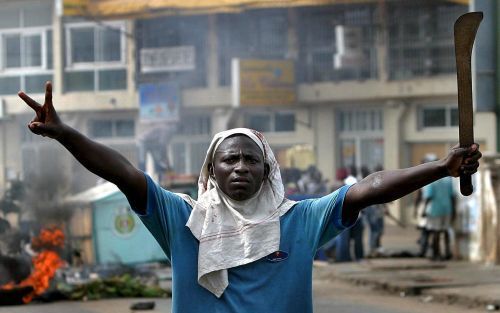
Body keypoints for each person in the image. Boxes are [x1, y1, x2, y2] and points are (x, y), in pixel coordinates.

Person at [19, 82, 482, 313]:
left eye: (250, 160)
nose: (239, 167)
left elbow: (367, 189)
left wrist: (440, 167)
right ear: (211, 170)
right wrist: (65, 134)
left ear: (267, 171)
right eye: (229, 160)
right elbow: (123, 173)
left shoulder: (299, 220)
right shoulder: (182, 218)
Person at [422, 173, 456, 261]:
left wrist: (424, 210)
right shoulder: (449, 180)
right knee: (445, 230)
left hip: (435, 209)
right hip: (447, 208)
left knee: (435, 232)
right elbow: (452, 196)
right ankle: (447, 252)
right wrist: (453, 210)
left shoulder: (431, 181)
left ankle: (436, 254)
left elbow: (428, 197)